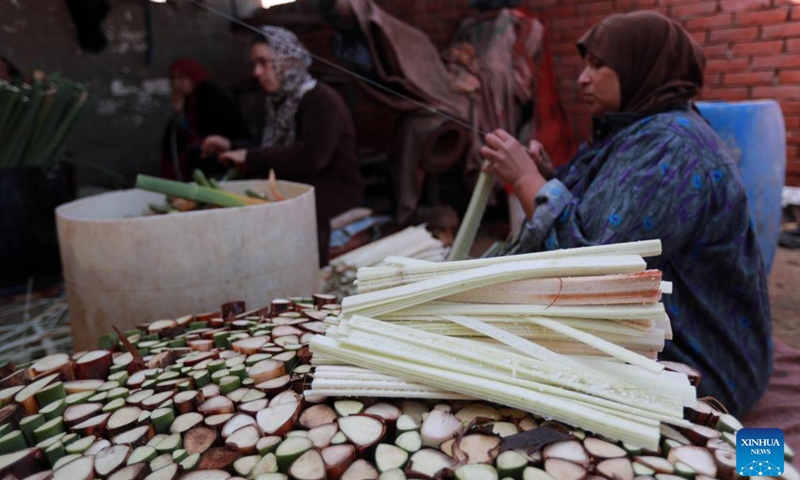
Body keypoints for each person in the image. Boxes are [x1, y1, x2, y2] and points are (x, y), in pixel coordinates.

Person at [480, 11, 772, 417]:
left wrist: (529, 182)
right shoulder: (639, 130)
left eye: (599, 65)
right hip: (673, 345)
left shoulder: (671, 147)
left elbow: (595, 271)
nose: (583, 78)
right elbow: (605, 209)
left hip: (703, 371)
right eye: (585, 64)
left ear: (642, 67)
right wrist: (549, 178)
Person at [202, 27, 363, 267]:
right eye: (254, 64)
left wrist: (248, 156)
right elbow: (273, 147)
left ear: (287, 61)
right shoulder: (281, 101)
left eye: (263, 63)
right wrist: (232, 147)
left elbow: (309, 157)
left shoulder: (320, 99)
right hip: (300, 181)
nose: (257, 72)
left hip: (333, 187)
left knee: (287, 210)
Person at [161, 57, 251, 181]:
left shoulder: (213, 101)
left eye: (181, 78)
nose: (176, 84)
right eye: (174, 78)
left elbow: (208, 135)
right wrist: (180, 113)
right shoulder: (187, 102)